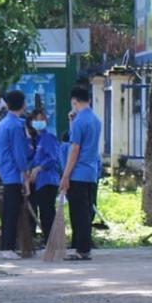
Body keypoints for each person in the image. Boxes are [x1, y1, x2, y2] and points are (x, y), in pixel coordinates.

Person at [61, 84, 103, 260]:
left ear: (74, 101)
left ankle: (82, 249)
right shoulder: (95, 119)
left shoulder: (80, 122)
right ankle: (83, 248)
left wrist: (65, 175)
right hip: (91, 173)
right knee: (86, 212)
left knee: (79, 214)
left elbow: (75, 149)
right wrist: (72, 122)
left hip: (78, 173)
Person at [0, 90, 33, 257]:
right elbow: (19, 154)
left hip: (4, 170)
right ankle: (8, 248)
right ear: (23, 105)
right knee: (12, 212)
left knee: (9, 211)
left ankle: (7, 247)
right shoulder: (16, 125)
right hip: (14, 174)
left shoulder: (2, 124)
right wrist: (25, 175)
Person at [28, 104, 64, 246]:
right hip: (39, 182)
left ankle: (52, 239)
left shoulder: (48, 138)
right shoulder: (37, 140)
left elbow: (53, 159)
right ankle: (47, 238)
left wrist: (38, 168)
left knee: (47, 211)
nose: (39, 122)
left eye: (42, 119)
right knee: (43, 211)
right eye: (37, 119)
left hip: (48, 180)